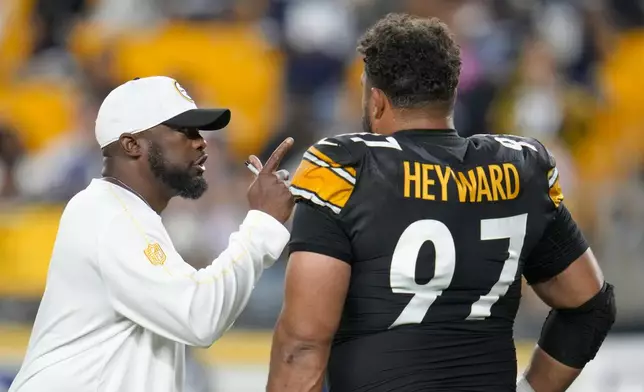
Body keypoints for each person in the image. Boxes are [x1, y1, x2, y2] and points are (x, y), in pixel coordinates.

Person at [267, 14, 616, 392]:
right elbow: (590, 306)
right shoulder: (518, 170)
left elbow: (301, 346)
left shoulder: (346, 168)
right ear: (450, 94)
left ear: (378, 101)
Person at [10, 76, 295, 392]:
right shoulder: (109, 214)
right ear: (132, 144)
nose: (201, 142)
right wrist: (261, 223)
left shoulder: (124, 212)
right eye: (184, 131)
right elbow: (199, 316)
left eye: (199, 131)